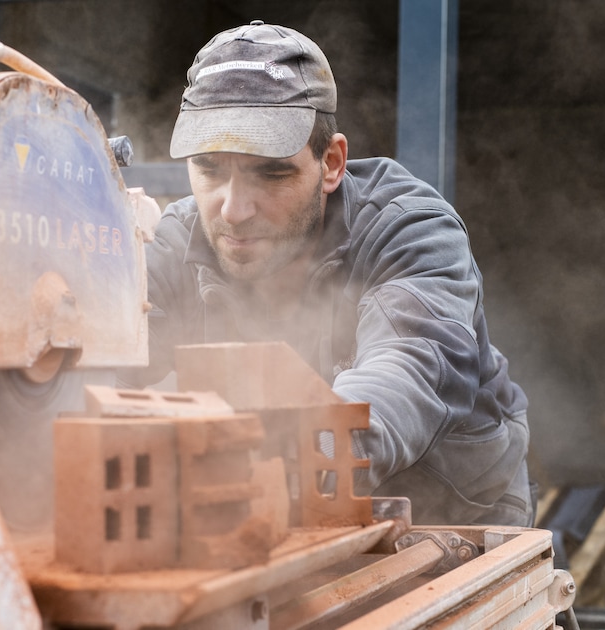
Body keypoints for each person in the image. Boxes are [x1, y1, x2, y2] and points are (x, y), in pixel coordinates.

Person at [118, 21, 533, 526]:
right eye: (209, 168)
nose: (232, 209)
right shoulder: (178, 238)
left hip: (449, 514)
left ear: (332, 163)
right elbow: (110, 355)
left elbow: (407, 370)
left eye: (270, 172)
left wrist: (283, 463)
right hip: (285, 510)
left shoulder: (410, 231)